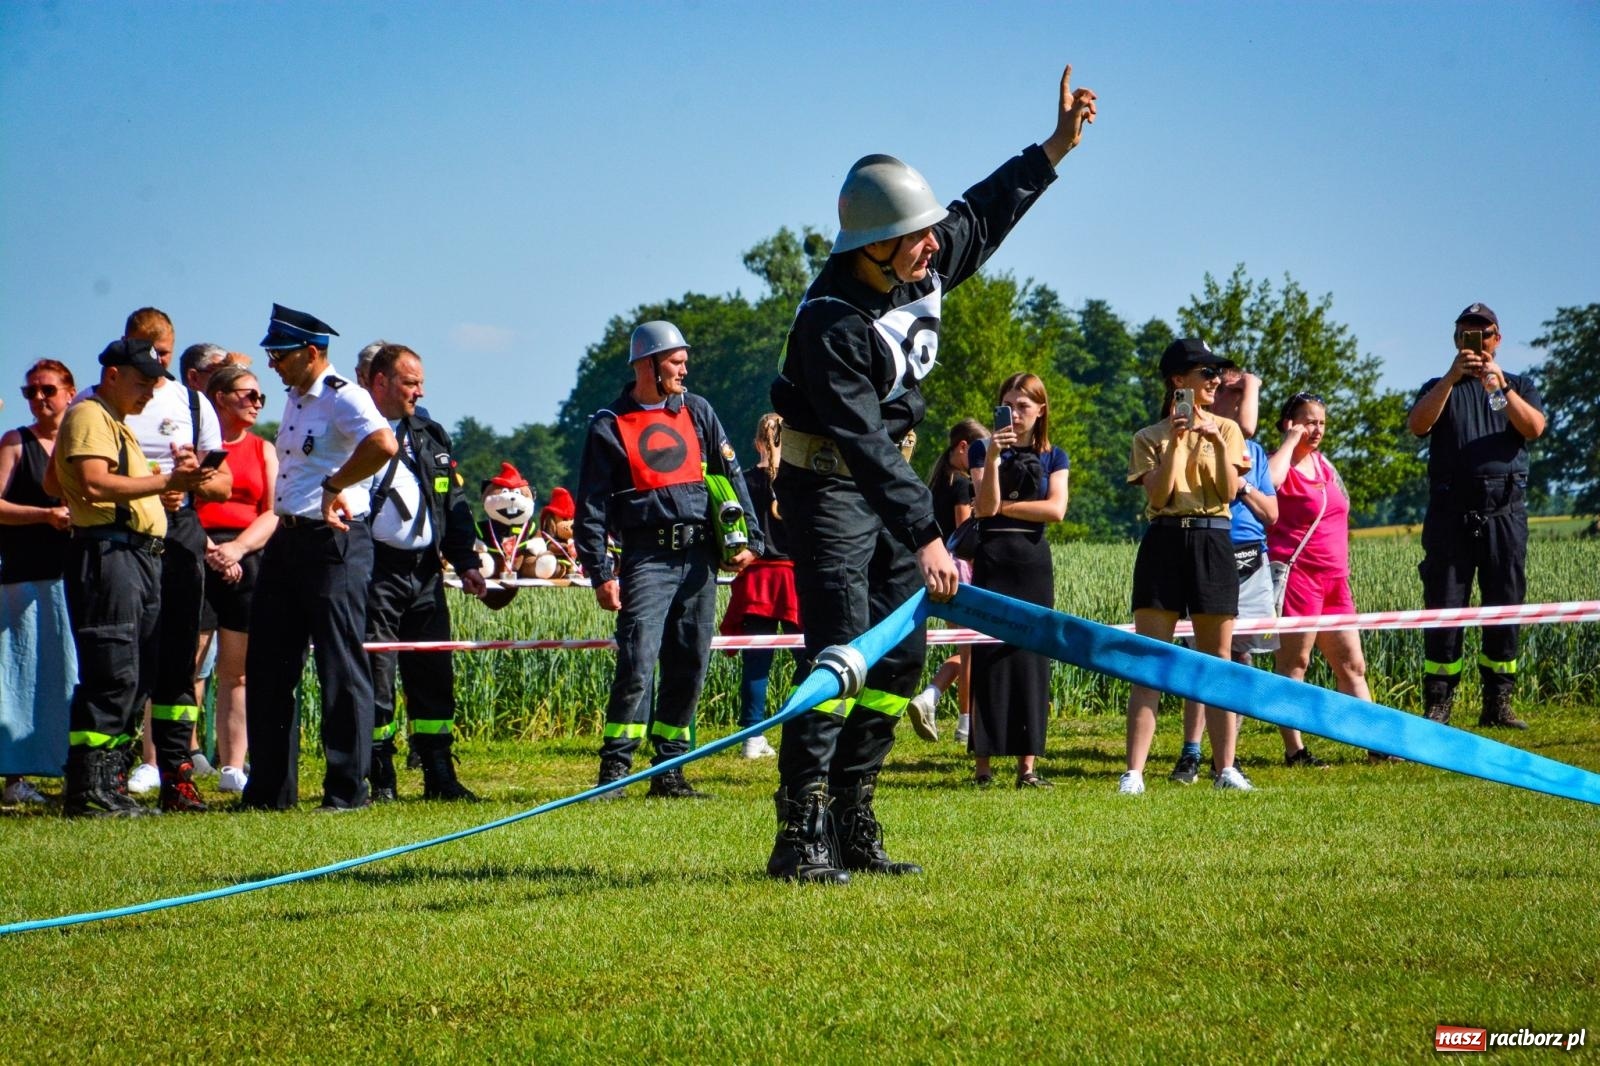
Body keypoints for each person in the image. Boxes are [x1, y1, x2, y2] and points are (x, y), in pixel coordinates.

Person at [768, 64, 1097, 881]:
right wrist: (926, 534)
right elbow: (864, 445)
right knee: (841, 653)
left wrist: (1054, 148)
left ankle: (854, 817)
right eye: (918, 235)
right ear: (872, 245)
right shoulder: (830, 324)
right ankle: (798, 832)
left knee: (903, 661)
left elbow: (983, 212)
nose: (933, 243)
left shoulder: (919, 259)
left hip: (884, 488)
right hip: (833, 489)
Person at [575, 320, 758, 798]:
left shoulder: (698, 411)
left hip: (698, 555)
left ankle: (670, 771)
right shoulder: (608, 424)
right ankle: (616, 772)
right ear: (647, 365)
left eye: (684, 360)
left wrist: (747, 538)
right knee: (637, 661)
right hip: (645, 557)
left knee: (690, 663)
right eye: (676, 361)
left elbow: (731, 475)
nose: (685, 368)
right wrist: (600, 571)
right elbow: (591, 505)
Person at [240, 304, 397, 812]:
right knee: (269, 665)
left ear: (311, 353)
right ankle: (269, 791)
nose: (272, 364)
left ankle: (348, 791)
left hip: (334, 542)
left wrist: (336, 485)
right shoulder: (296, 400)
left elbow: (383, 443)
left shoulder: (341, 398)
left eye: (280, 355)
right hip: (286, 540)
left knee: (339, 666)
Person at [52, 339, 216, 815]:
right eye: (142, 382)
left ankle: (109, 785)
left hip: (134, 556)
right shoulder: (89, 415)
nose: (149, 393)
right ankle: (89, 792)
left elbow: (58, 480)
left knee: (134, 674)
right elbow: (94, 483)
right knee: (112, 672)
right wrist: (169, 484)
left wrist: (156, 496)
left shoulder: (113, 424)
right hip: (110, 556)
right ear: (113, 375)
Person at [98, 308, 233, 809]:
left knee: (179, 662)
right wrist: (159, 486)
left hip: (179, 537)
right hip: (120, 536)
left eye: (165, 355)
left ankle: (177, 773)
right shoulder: (99, 404)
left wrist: (193, 477)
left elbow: (223, 483)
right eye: (147, 355)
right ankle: (109, 774)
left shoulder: (192, 401)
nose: (156, 367)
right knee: (121, 661)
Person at [1122, 338, 1252, 795]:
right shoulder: (1149, 436)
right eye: (1206, 373)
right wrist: (1178, 440)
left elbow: (1227, 493)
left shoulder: (1230, 431)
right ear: (1179, 381)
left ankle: (1226, 769)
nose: (1215, 380)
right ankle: (1133, 773)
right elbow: (1160, 496)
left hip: (1213, 539)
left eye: (1217, 374)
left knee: (1217, 659)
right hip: (1164, 540)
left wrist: (1216, 443)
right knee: (1150, 661)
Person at [1406, 303, 1546, 729]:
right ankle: (1439, 704)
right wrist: (1452, 378)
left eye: (1483, 334)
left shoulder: (1516, 386)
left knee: (1505, 605)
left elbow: (1533, 428)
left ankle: (1498, 703)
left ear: (1497, 339)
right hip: (1451, 513)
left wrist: (1498, 387)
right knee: (1444, 608)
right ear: (1455, 340)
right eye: (1467, 334)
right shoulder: (1439, 387)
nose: (1476, 341)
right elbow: (1418, 425)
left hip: (1504, 512)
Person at [362, 343, 486, 802]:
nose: (420, 391)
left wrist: (468, 563)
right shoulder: (355, 430)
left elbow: (453, 506)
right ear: (381, 383)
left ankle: (439, 773)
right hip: (375, 570)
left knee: (434, 671)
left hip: (427, 573)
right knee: (376, 674)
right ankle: (381, 778)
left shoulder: (430, 434)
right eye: (410, 382)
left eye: (420, 382)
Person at [1168, 366, 1282, 783]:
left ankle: (1226, 758)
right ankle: (1191, 751)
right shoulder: (1191, 438)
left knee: (1241, 659)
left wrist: (1245, 488)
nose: (1237, 398)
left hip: (1251, 557)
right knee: (1204, 656)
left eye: (1242, 391)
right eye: (1232, 391)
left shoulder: (1255, 452)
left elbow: (1272, 514)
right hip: (1210, 549)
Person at [1267, 392, 1395, 763]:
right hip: (1298, 578)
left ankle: (1377, 745)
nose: (1317, 428)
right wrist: (1291, 442)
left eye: (1321, 422)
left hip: (1335, 580)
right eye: (1308, 421)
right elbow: (1268, 484)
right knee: (1295, 665)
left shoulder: (1325, 466)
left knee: (1352, 665)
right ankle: (1296, 750)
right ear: (1289, 423)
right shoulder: (1280, 464)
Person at [968, 374, 1070, 788]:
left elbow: (1056, 510)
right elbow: (984, 507)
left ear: (1041, 409)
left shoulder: (1054, 456)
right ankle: (983, 768)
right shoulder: (980, 449)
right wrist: (992, 457)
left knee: (1033, 659)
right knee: (988, 656)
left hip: (1032, 562)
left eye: (1024, 405)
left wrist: (1005, 508)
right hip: (992, 558)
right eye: (1008, 404)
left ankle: (1027, 767)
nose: (1015, 413)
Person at [194, 363, 279, 794]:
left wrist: (237, 549)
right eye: (248, 394)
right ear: (220, 397)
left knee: (237, 671)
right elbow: (179, 502)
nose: (256, 403)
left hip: (246, 556)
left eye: (260, 397)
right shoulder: (196, 448)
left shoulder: (263, 448)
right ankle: (168, 761)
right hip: (195, 551)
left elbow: (273, 508)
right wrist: (208, 547)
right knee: (185, 663)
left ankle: (233, 766)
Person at [0, 360, 78, 806]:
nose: (38, 399)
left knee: (68, 675)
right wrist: (44, 516)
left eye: (47, 390)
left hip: (73, 575)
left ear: (69, 392)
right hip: (24, 577)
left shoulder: (82, 440)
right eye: (30, 392)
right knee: (21, 674)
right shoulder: (16, 442)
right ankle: (15, 778)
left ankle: (72, 768)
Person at [718, 413, 800, 760]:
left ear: (755, 443)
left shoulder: (744, 482)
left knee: (756, 663)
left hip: (755, 577)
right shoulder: (798, 482)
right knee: (811, 660)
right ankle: (799, 725)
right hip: (793, 578)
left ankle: (752, 737)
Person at [908, 418, 989, 744]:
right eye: (979, 453)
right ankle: (965, 722)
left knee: (969, 646)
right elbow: (965, 531)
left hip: (938, 566)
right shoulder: (961, 484)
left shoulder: (939, 480)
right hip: (959, 567)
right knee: (971, 649)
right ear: (963, 448)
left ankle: (932, 695)